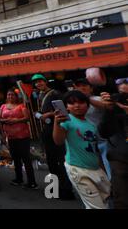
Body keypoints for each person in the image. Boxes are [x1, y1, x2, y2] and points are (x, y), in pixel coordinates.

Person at [53, 90, 111, 209]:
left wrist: (103, 169)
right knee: (97, 206)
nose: (77, 105)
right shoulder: (66, 120)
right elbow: (58, 141)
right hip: (78, 169)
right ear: (66, 107)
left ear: (87, 105)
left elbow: (96, 150)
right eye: (71, 103)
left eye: (80, 102)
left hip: (96, 168)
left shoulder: (92, 124)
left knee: (105, 199)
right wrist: (56, 123)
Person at [32, 73, 74, 200]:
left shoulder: (54, 93)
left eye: (40, 81)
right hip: (46, 129)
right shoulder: (40, 95)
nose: (38, 84)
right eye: (36, 82)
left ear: (45, 82)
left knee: (59, 160)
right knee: (51, 160)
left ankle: (66, 191)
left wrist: (48, 114)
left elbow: (63, 110)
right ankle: (55, 189)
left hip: (55, 129)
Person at [73, 78, 111, 178]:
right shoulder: (75, 103)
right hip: (86, 138)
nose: (82, 87)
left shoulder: (99, 98)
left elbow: (106, 106)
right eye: (79, 86)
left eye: (84, 85)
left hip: (102, 138)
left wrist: (86, 98)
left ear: (91, 88)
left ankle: (112, 185)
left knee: (107, 162)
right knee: (94, 164)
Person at [0, 89, 37, 189]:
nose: (10, 96)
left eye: (12, 95)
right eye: (8, 94)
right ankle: (19, 179)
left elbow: (27, 118)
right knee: (15, 159)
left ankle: (32, 182)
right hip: (11, 137)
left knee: (26, 159)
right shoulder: (3, 106)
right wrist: (6, 121)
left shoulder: (21, 106)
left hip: (23, 136)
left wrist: (16, 120)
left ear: (16, 97)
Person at [99, 78, 128, 209]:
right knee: (121, 197)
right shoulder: (115, 108)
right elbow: (104, 132)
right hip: (120, 157)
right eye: (123, 94)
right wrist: (109, 110)